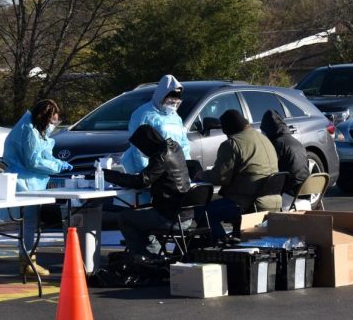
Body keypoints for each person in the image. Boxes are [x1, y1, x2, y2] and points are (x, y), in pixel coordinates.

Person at [0, 99, 72, 277]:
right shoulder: (29, 131)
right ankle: (27, 261)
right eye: (53, 121)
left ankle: (28, 259)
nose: (54, 125)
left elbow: (42, 152)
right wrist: (57, 166)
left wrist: (57, 162)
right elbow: (34, 162)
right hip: (25, 181)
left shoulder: (33, 129)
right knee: (29, 222)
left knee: (30, 222)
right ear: (45, 118)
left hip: (30, 180)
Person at [103, 125, 190, 256]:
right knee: (139, 216)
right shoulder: (175, 147)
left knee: (125, 217)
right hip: (185, 213)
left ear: (146, 143)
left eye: (141, 147)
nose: (142, 152)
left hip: (170, 216)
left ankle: (149, 256)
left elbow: (141, 181)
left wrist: (109, 175)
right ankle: (153, 253)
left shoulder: (160, 156)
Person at [196, 110, 279, 243]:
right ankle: (232, 239)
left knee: (202, 212)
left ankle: (223, 243)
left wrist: (201, 175)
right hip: (273, 200)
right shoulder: (264, 139)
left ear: (227, 129)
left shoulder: (232, 144)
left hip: (247, 202)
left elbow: (220, 177)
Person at [122, 75, 191, 174]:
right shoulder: (144, 114)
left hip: (171, 170)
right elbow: (138, 147)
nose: (173, 105)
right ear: (162, 96)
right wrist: (145, 173)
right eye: (171, 101)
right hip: (147, 170)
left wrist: (186, 168)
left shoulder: (175, 117)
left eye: (176, 103)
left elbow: (184, 144)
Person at [260, 110, 310, 194]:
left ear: (267, 129)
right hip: (306, 188)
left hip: (290, 191)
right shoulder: (297, 142)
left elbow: (267, 170)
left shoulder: (277, 144)